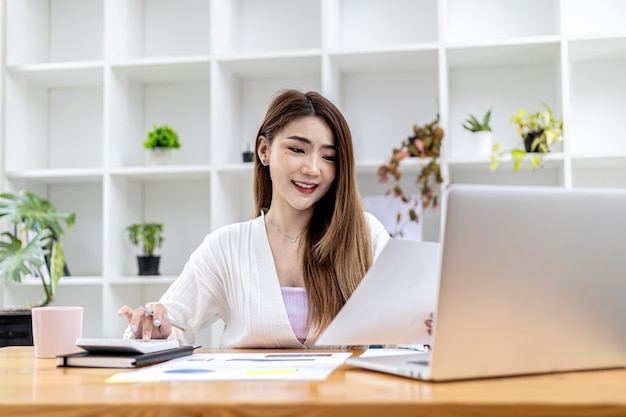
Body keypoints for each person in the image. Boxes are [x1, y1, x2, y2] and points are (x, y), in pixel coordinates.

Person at [118, 89, 428, 348]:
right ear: (264, 150)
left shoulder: (365, 234)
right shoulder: (226, 247)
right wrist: (155, 330)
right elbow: (173, 327)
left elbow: (412, 324)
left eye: (328, 156)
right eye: (297, 149)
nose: (313, 169)